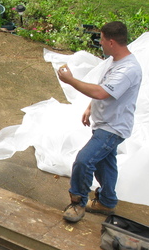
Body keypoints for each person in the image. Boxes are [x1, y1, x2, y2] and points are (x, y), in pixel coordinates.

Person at [56, 21, 142, 223]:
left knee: (84, 161)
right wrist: (90, 107)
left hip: (113, 128)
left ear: (111, 42)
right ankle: (107, 202)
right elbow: (105, 89)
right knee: (106, 164)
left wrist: (71, 80)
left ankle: (78, 203)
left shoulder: (128, 69)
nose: (100, 43)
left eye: (102, 39)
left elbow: (102, 92)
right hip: (105, 122)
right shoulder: (116, 61)